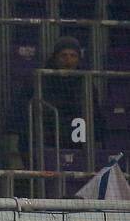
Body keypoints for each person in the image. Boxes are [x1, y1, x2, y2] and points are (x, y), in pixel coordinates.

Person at [8, 36, 106, 164]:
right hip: (44, 140)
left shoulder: (86, 83)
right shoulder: (37, 80)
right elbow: (21, 114)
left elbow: (95, 116)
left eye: (73, 55)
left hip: (74, 141)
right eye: (64, 55)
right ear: (55, 57)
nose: (68, 60)